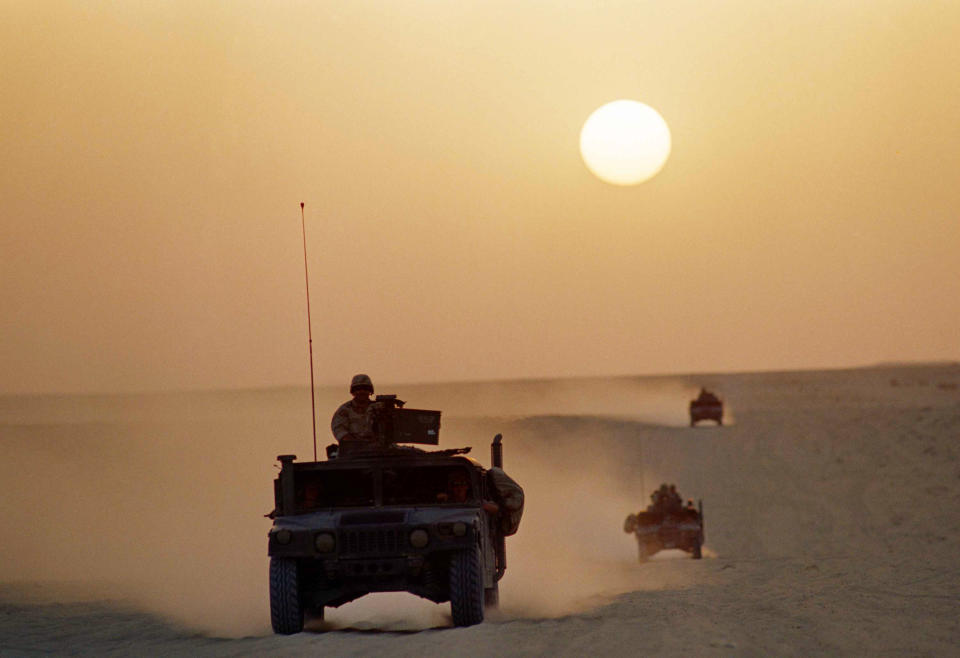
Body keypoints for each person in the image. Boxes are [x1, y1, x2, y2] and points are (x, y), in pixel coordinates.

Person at [330, 374, 381, 456]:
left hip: (377, 450)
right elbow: (340, 431)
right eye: (358, 389)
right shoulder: (344, 410)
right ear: (353, 392)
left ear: (370, 391)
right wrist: (356, 443)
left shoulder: (379, 408)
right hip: (351, 451)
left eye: (365, 389)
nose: (362, 392)